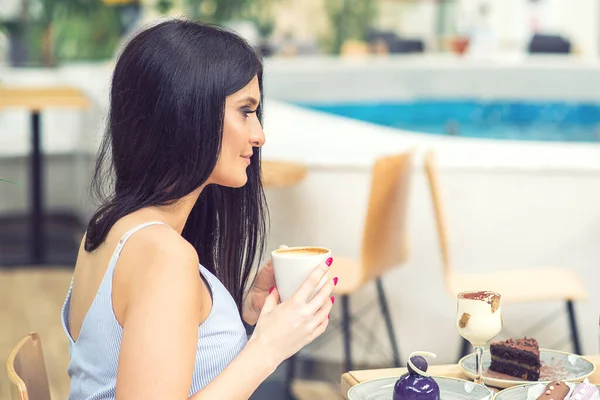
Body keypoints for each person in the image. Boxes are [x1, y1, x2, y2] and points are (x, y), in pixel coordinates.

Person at [60, 19, 337, 399]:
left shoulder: (111, 229)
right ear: (186, 112)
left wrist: (235, 318)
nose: (259, 135)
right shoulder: (165, 256)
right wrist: (269, 348)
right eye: (245, 111)